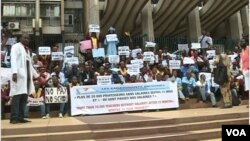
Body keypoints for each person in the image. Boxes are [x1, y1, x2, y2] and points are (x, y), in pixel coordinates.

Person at [10, 33, 40, 124]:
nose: (26, 39)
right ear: (20, 38)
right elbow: (13, 59)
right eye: (25, 38)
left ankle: (21, 117)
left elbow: (30, 65)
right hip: (18, 75)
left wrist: (37, 76)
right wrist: (14, 72)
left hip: (26, 78)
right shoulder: (16, 46)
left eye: (28, 38)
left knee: (24, 98)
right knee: (17, 97)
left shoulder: (27, 50)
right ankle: (14, 118)